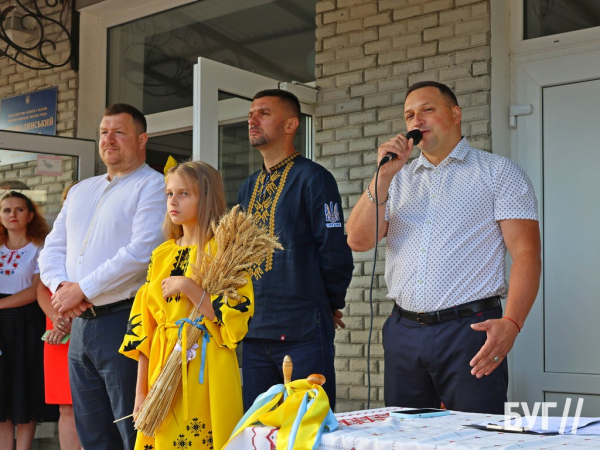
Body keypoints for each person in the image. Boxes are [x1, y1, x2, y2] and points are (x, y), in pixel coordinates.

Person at [346, 81, 541, 414]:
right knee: (405, 436)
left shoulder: (498, 172)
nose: (416, 121)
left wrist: (512, 322)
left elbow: (526, 254)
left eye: (427, 109)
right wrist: (382, 177)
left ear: (455, 114)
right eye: (409, 115)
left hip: (469, 330)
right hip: (403, 332)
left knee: (476, 434)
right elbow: (358, 240)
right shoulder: (398, 180)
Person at [38, 103, 166, 450]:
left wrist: (82, 289)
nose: (108, 139)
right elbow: (51, 249)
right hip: (81, 328)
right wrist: (63, 287)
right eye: (103, 132)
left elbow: (142, 252)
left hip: (123, 320)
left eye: (119, 132)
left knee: (130, 427)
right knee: (91, 429)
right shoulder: (81, 190)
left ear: (142, 140)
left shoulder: (154, 186)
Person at [120, 161, 254, 450]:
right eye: (169, 194)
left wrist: (189, 287)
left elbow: (233, 319)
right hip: (163, 362)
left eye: (184, 193)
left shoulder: (226, 251)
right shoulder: (161, 254)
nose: (173, 201)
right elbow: (144, 328)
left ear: (205, 197)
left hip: (210, 367)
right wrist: (140, 391)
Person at [238, 89, 354, 411]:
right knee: (260, 432)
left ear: (291, 125)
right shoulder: (248, 186)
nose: (252, 119)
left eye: (263, 113)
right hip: (254, 331)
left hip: (302, 330)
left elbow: (334, 250)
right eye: (251, 113)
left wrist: (327, 303)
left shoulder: (315, 178)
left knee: (306, 431)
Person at [0, 191, 59, 450]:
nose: (12, 214)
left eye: (19, 209)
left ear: (31, 215)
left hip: (26, 324)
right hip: (1, 325)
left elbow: (35, 290)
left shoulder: (40, 248)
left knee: (23, 388)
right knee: (2, 392)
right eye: (6, 210)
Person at [36, 182, 82, 450]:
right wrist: (58, 319)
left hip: (89, 322)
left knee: (94, 402)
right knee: (66, 406)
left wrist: (70, 322)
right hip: (56, 328)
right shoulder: (56, 240)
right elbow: (40, 287)